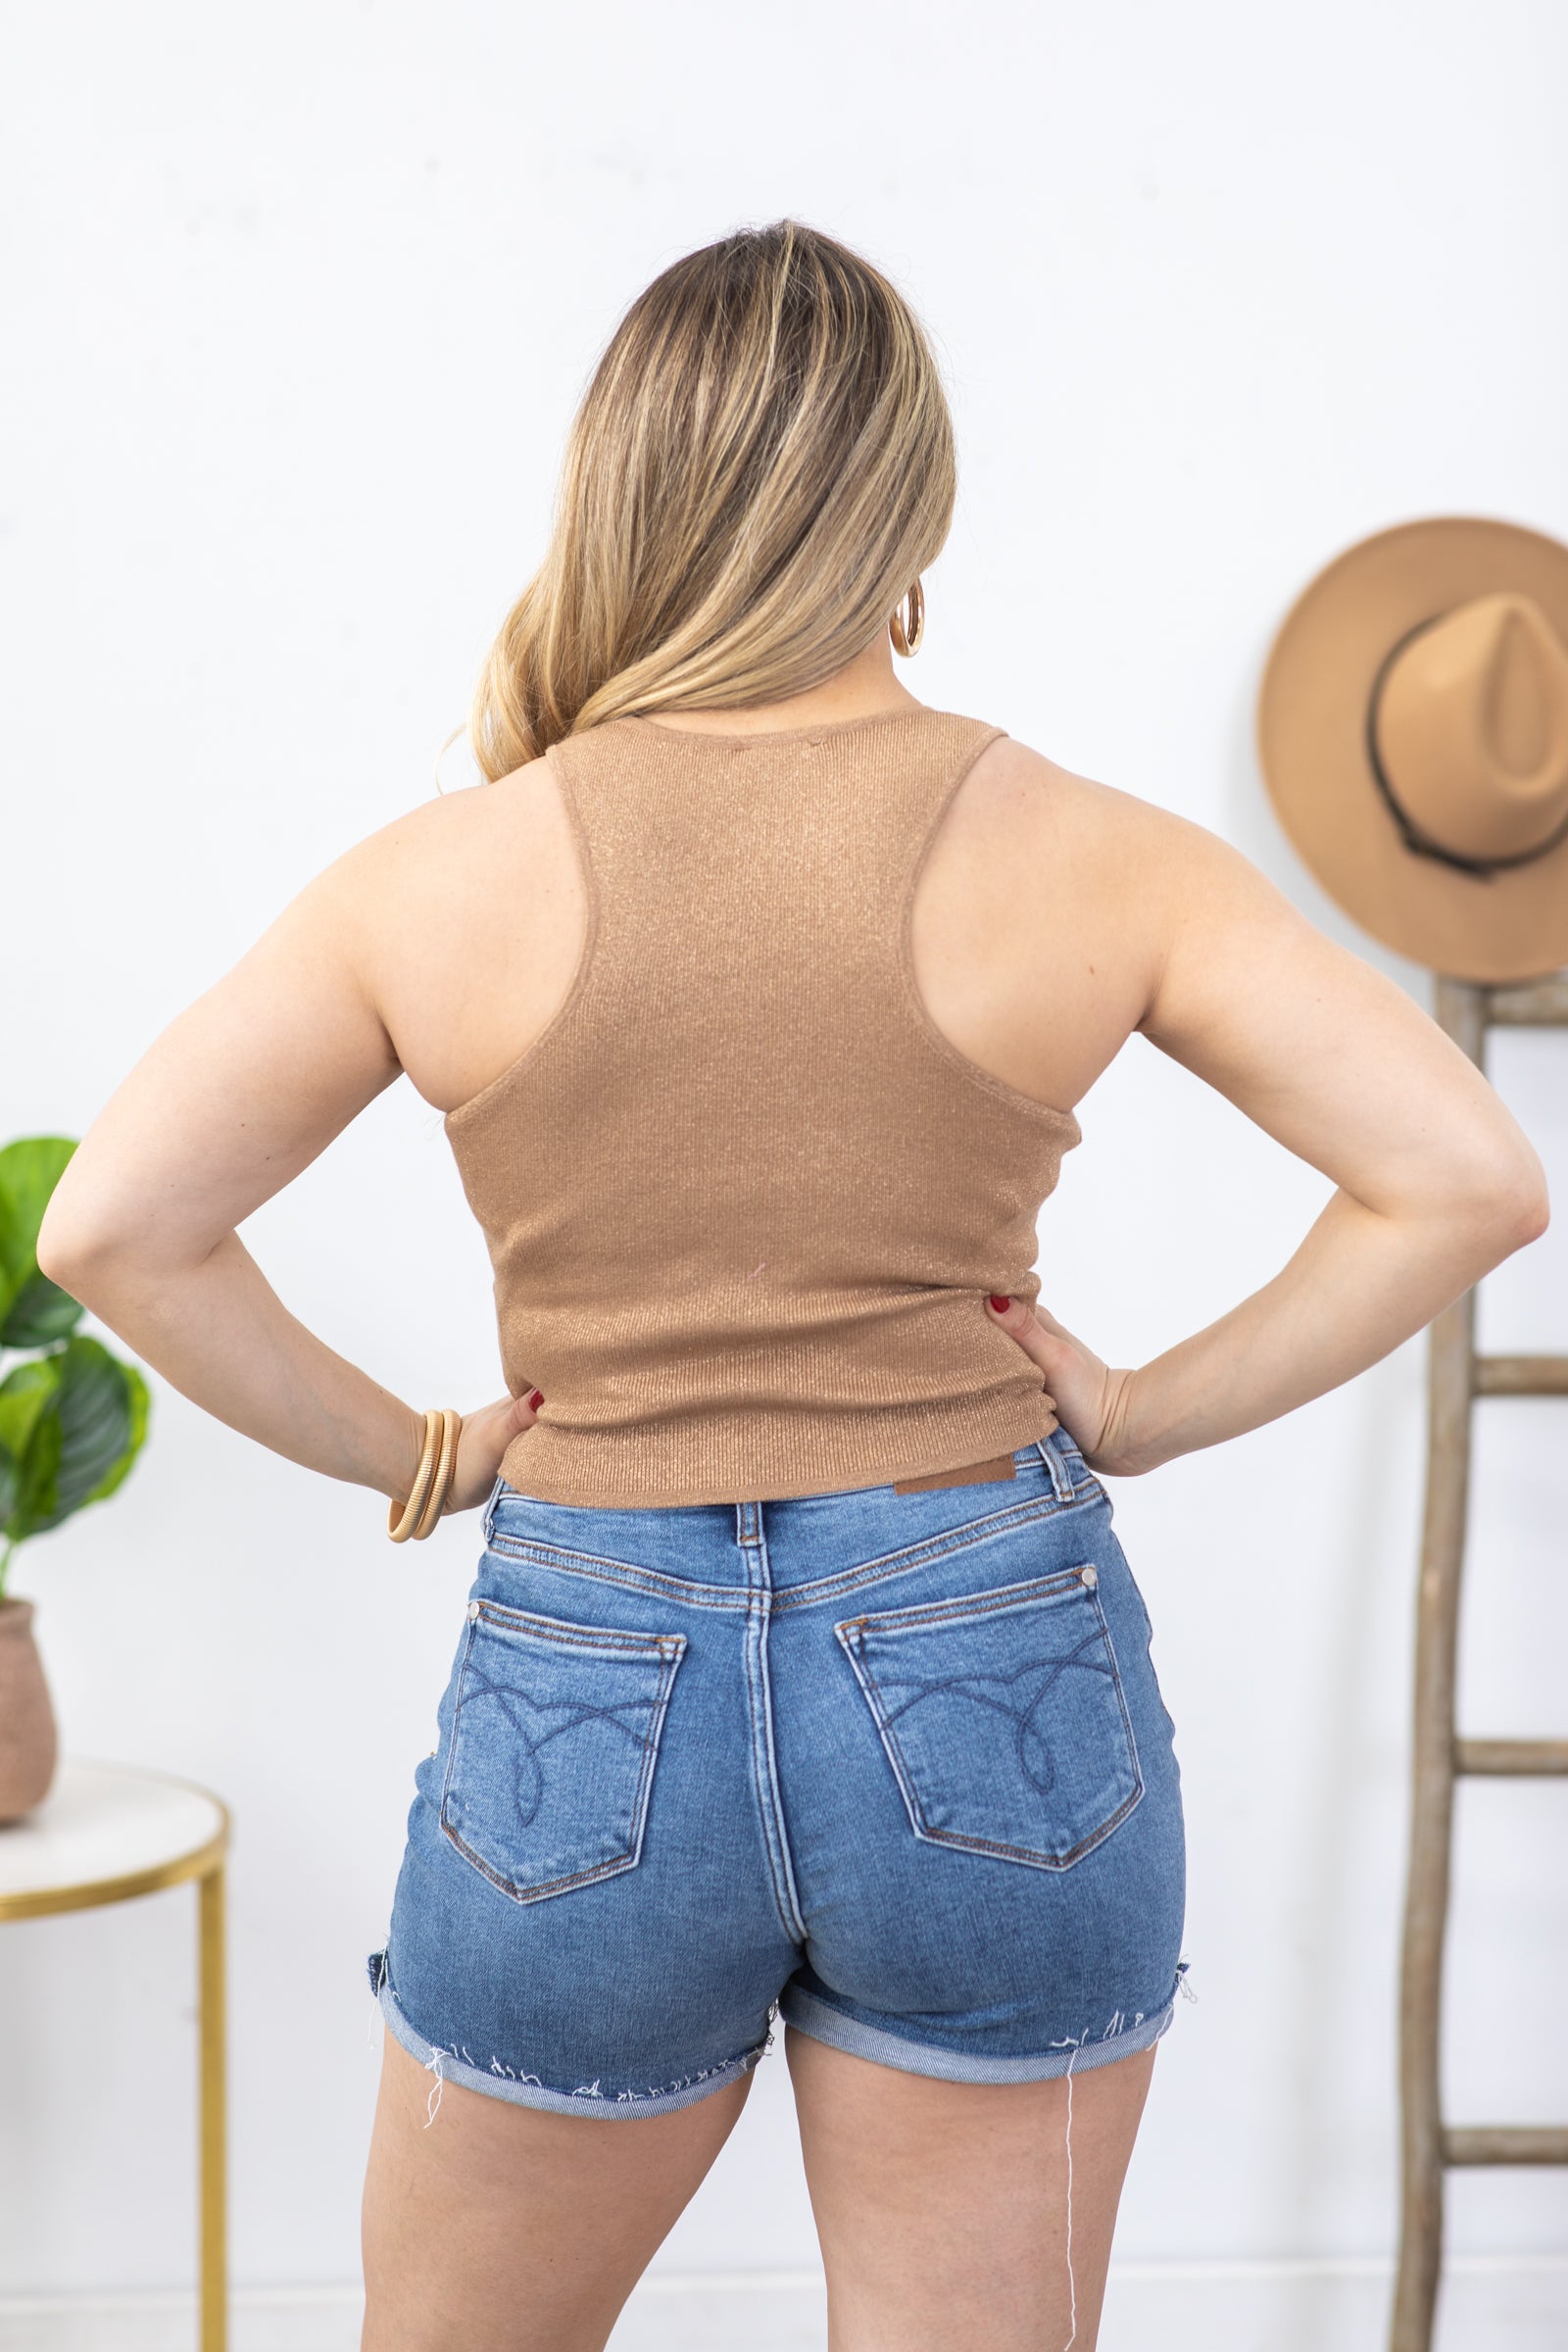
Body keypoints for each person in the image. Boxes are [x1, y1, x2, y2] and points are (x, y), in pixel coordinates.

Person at [38, 220, 1546, 2352]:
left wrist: (425, 1456)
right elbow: (1465, 1179)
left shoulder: (450, 873)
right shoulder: (1085, 849)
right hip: (992, 1643)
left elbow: (113, 1226)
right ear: (911, 510)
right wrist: (1140, 1411)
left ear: (622, 491)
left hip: (590, 1668)